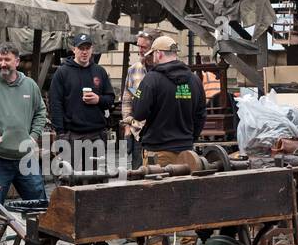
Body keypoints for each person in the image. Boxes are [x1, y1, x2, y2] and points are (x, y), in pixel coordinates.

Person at [0, 41, 49, 204]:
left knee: (38, 204)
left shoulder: (30, 86)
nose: (2, 64)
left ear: (17, 62)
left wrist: (33, 136)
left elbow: (41, 112)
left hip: (25, 158)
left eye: (7, 59)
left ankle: (34, 230)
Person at [131, 34, 207, 165]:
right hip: (186, 153)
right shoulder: (195, 80)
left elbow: (138, 113)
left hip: (157, 152)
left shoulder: (151, 79)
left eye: (153, 54)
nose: (152, 57)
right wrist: (189, 138)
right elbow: (201, 115)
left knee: (155, 186)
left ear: (159, 54)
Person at [48, 32, 114, 172]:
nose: (84, 52)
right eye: (81, 48)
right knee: (72, 179)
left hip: (97, 134)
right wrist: (61, 134)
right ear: (74, 50)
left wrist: (98, 99)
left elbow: (110, 99)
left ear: (92, 50)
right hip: (73, 135)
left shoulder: (100, 71)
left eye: (87, 48)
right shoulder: (62, 73)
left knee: (97, 179)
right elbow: (55, 104)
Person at [121, 29, 159, 169]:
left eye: (144, 47)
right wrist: (127, 129)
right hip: (138, 133)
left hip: (159, 132)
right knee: (138, 174)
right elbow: (127, 101)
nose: (140, 50)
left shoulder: (163, 69)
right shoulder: (134, 70)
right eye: (139, 46)